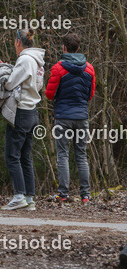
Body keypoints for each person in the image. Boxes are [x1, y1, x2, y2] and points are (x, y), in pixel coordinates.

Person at [0, 29, 45, 211]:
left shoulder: (24, 59)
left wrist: (1, 74)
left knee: (12, 156)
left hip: (21, 113)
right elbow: (28, 81)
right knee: (25, 157)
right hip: (33, 112)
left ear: (17, 42)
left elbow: (9, 84)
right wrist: (3, 66)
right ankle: (30, 198)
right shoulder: (37, 61)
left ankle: (18, 196)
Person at [45, 33, 95, 204]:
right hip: (82, 116)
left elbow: (49, 94)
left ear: (64, 48)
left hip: (63, 117)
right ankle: (85, 196)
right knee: (81, 155)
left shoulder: (58, 68)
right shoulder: (90, 68)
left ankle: (63, 194)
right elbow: (90, 94)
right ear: (78, 48)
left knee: (63, 155)